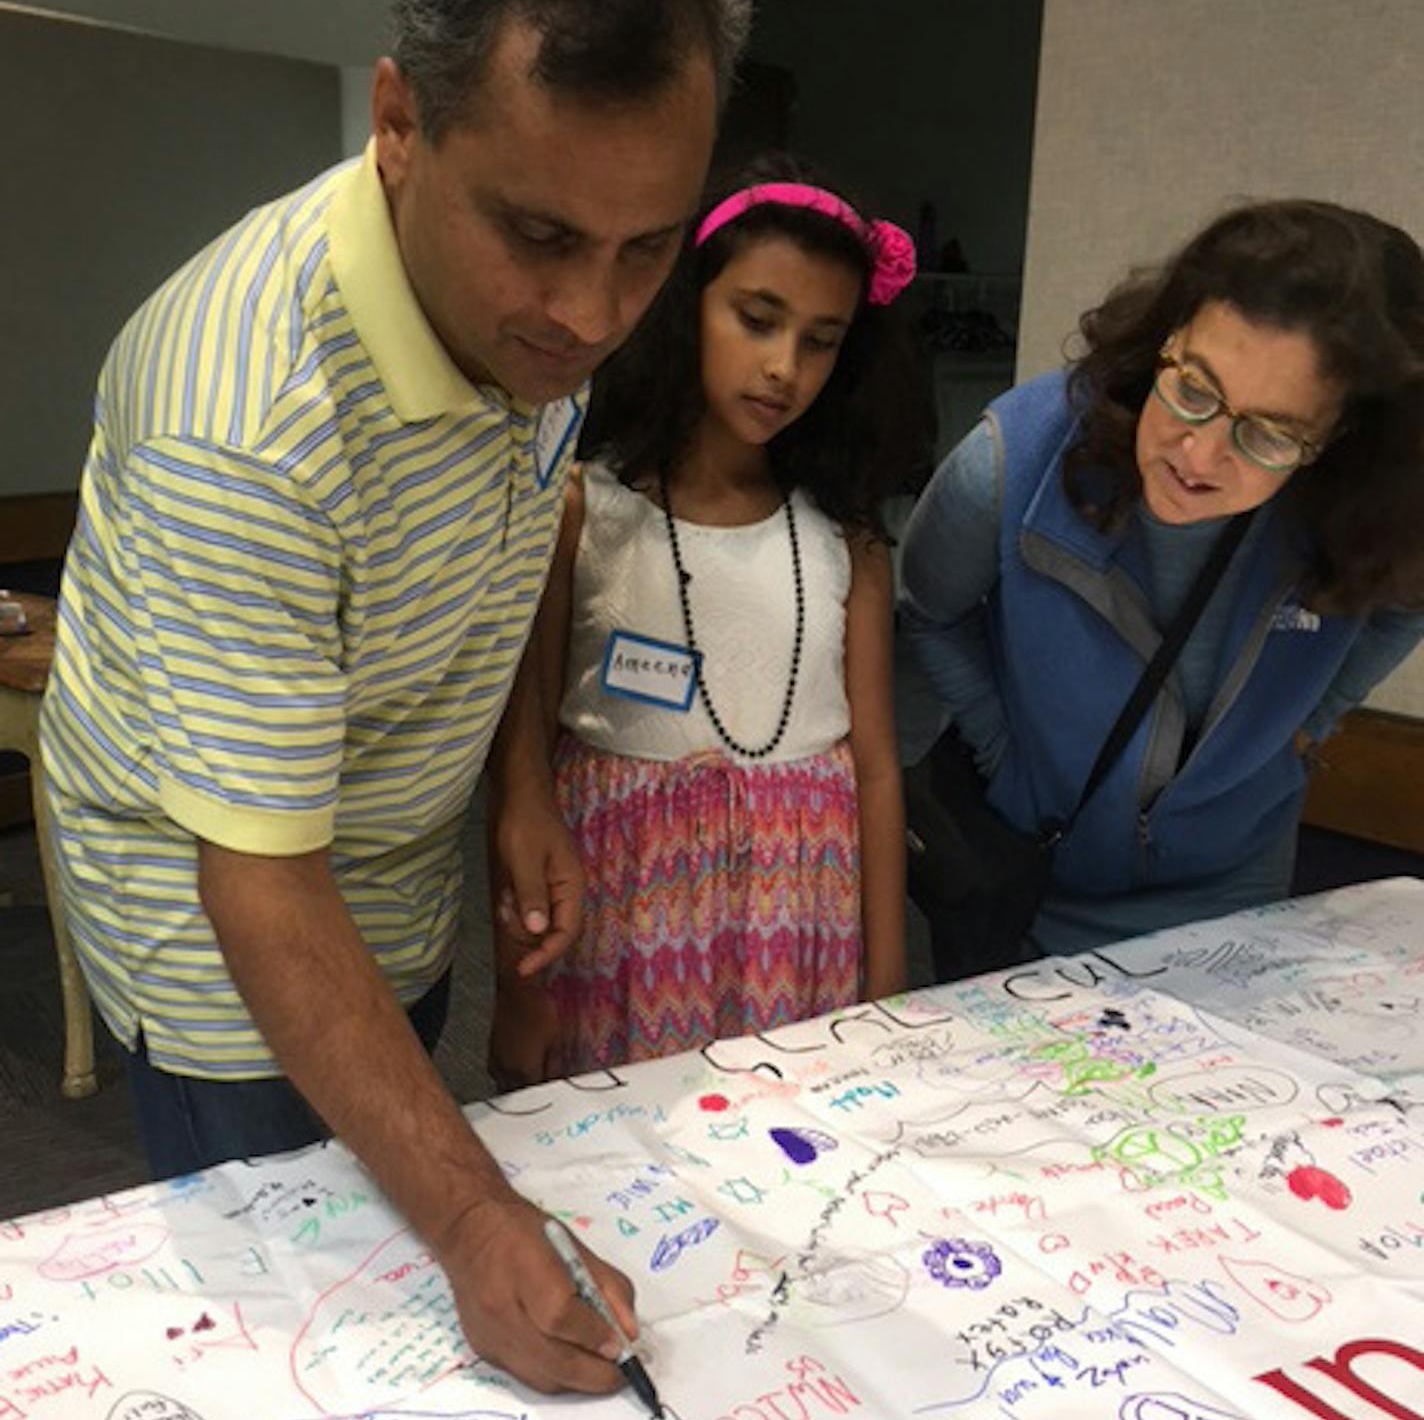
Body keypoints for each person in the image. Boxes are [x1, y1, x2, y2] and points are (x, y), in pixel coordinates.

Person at [39, 0, 748, 1396]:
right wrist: (481, 1212)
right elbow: (262, 879)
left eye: (647, 249)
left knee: (412, 1169)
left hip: (394, 855)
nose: (589, 313)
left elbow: (519, 525)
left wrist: (521, 787)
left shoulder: (539, 327)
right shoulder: (239, 422)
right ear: (400, 121)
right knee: (320, 1352)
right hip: (227, 922)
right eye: (541, 234)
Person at [900, 199, 1424, 961]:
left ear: (1338, 435)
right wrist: (1004, 756)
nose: (1200, 456)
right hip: (1027, 875)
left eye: (1270, 433)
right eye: (1194, 389)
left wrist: (1308, 726)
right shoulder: (1015, 462)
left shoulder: (1367, 505)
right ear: (1165, 341)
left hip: (1232, 887)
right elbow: (930, 608)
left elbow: (1408, 599)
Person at [489, 165, 924, 1083]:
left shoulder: (847, 536)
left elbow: (880, 769)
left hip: (797, 910)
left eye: (820, 341)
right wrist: (520, 990)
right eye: (756, 319)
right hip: (623, 899)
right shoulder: (586, 507)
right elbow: (523, 755)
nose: (783, 367)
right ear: (687, 306)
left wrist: (889, 987)